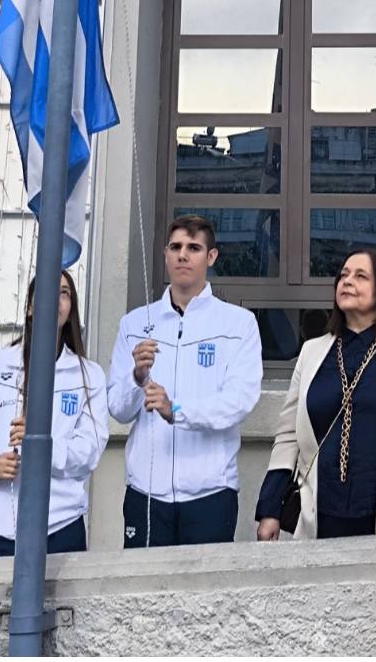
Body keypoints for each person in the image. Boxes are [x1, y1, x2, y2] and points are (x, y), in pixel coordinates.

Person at [255, 248, 376, 541]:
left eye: (361, 276)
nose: (347, 281)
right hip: (319, 515)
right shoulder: (312, 352)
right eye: (343, 275)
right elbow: (288, 436)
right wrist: (270, 509)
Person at [107, 214, 263, 547]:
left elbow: (238, 402)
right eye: (175, 247)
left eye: (193, 248)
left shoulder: (238, 324)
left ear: (211, 257)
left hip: (210, 492)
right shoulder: (134, 323)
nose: (183, 255)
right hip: (146, 491)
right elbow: (118, 409)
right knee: (143, 580)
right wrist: (136, 378)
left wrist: (176, 410)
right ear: (165, 255)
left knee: (204, 583)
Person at [0, 268, 108, 557]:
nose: (55, 299)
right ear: (29, 307)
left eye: (64, 293)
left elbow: (89, 452)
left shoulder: (89, 376)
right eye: (47, 291)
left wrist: (42, 444)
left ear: (71, 309)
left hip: (60, 527)